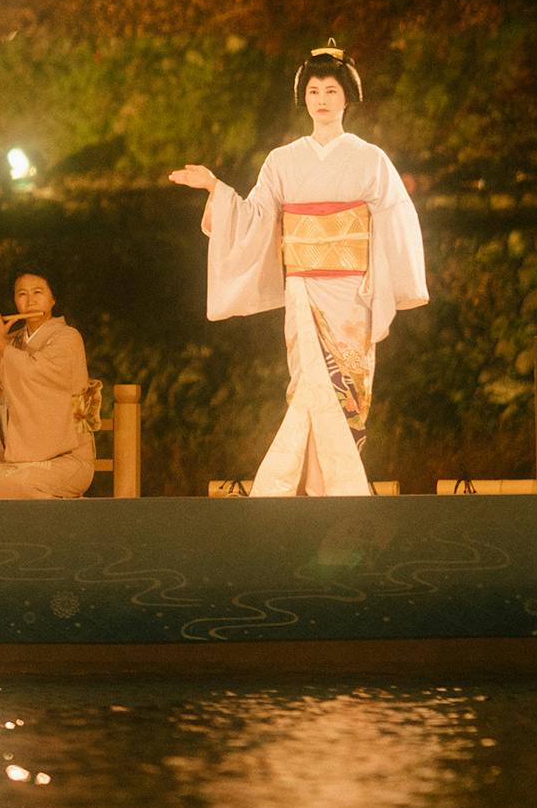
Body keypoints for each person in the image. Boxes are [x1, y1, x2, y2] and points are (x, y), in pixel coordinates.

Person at [168, 40, 427, 495]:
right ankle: (306, 487)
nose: (322, 100)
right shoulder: (281, 160)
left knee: (348, 392)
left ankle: (329, 488)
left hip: (352, 293)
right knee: (307, 385)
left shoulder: (371, 158)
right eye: (313, 91)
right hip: (303, 290)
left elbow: (396, 219)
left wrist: (382, 281)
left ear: (348, 97)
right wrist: (216, 189)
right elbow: (255, 219)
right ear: (302, 98)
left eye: (330, 90)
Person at [0, 272, 97, 500]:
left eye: (38, 292)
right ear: (15, 301)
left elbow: (37, 375)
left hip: (67, 457)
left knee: (21, 484)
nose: (30, 300)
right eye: (22, 294)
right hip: (20, 461)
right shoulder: (11, 342)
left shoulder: (68, 338)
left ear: (53, 299)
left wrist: (0, 342)